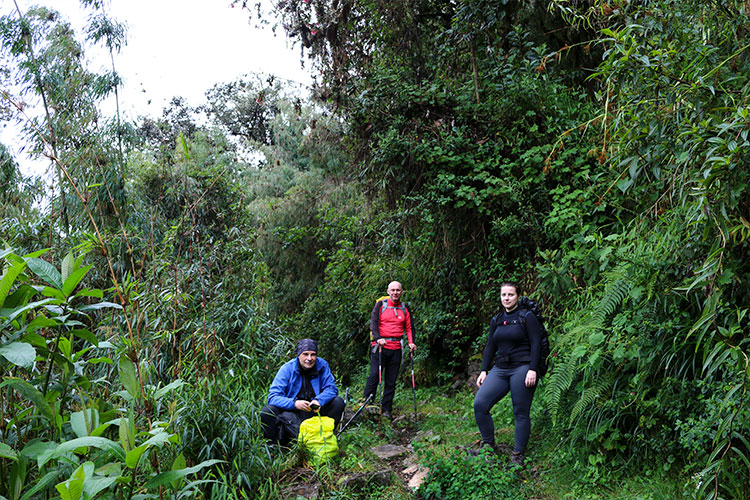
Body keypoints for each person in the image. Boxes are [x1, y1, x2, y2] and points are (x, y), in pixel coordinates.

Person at [473, 281, 540, 465]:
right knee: (480, 404)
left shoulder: (527, 316)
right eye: (504, 295)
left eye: (510, 294)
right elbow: (490, 346)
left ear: (518, 296)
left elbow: (536, 344)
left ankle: (517, 454)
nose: (507, 298)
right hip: (500, 368)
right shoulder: (497, 319)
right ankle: (488, 445)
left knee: (520, 411)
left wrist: (533, 369)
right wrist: (484, 370)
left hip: (523, 367)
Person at [260, 338, 345, 446]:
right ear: (298, 354)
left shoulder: (322, 365)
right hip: (291, 412)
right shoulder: (287, 369)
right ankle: (272, 447)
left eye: (313, 354)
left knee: (338, 402)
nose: (309, 358)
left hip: (314, 410)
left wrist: (319, 401)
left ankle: (325, 438)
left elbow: (332, 389)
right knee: (267, 410)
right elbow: (273, 397)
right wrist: (294, 404)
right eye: (305, 354)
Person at [362, 281, 417, 418]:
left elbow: (409, 328)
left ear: (402, 292)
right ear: (388, 291)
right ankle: (367, 401)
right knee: (375, 374)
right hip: (380, 346)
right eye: (392, 290)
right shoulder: (380, 305)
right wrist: (378, 338)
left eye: (398, 290)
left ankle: (387, 409)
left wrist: (411, 343)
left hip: (396, 348)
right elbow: (373, 324)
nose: (395, 293)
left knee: (391, 380)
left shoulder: (405, 308)